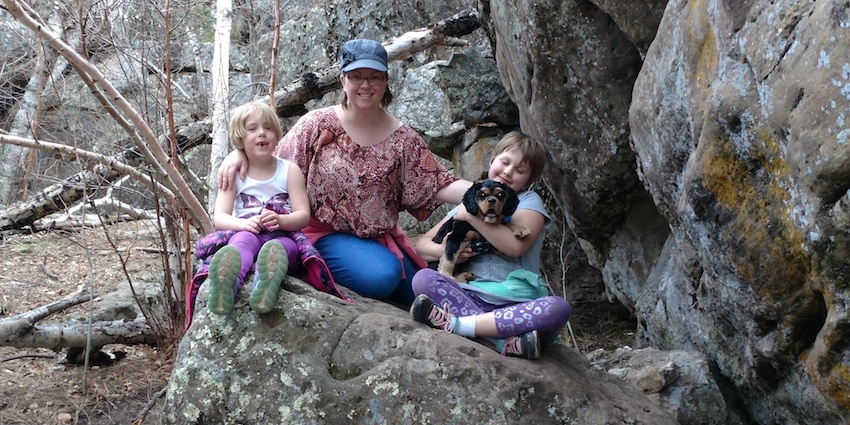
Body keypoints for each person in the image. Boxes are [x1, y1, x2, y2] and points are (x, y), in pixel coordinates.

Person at [218, 39, 470, 305]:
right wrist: (238, 153)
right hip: (317, 233)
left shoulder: (403, 138)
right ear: (342, 79)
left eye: (374, 77)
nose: (365, 85)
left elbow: (436, 182)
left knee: (428, 293)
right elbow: (273, 160)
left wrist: (499, 190)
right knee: (382, 275)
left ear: (386, 81)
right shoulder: (316, 125)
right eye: (357, 76)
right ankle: (301, 261)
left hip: (375, 240)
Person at [409, 131, 571, 360]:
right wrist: (446, 251)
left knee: (557, 309)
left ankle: (458, 325)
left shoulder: (527, 201)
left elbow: (516, 247)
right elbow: (422, 245)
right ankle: (504, 340)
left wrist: (471, 216)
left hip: (515, 304)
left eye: (520, 170)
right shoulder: (473, 198)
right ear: (492, 160)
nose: (508, 172)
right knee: (423, 279)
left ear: (529, 179)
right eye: (504, 162)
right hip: (470, 296)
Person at [206, 100, 310, 315]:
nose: (262, 133)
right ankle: (227, 286)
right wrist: (244, 223)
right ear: (240, 139)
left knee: (280, 250)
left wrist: (282, 220)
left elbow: (303, 215)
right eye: (252, 129)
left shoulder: (289, 171)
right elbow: (220, 217)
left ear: (277, 134)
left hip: (282, 234)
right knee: (240, 246)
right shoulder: (233, 174)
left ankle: (265, 285)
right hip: (248, 231)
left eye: (268, 127)